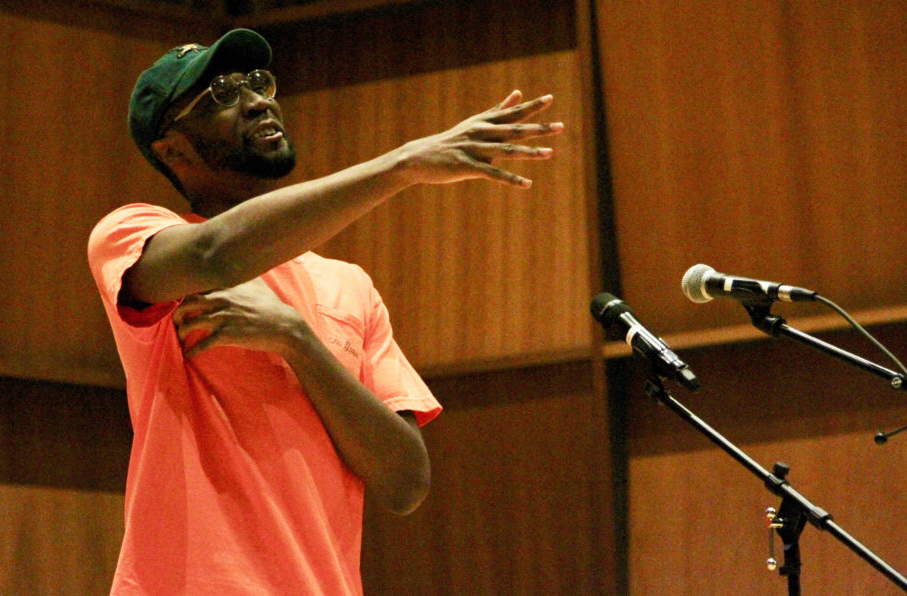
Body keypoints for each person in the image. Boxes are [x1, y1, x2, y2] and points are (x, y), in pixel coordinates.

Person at [87, 28, 563, 595]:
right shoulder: (133, 235)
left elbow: (405, 481)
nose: (257, 101)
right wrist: (401, 165)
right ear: (173, 149)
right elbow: (216, 255)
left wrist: (298, 340)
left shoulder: (348, 285)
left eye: (258, 82)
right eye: (222, 94)